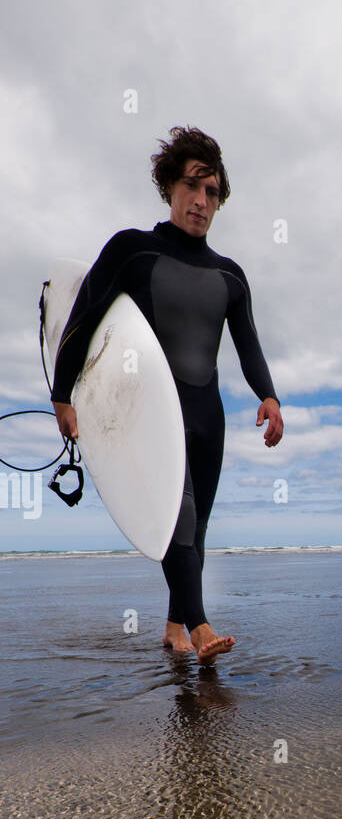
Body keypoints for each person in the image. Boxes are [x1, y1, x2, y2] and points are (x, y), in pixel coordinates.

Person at [50, 125, 284, 665]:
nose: (201, 202)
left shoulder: (231, 276)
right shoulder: (134, 250)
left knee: (197, 526)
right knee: (176, 516)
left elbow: (248, 344)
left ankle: (172, 627)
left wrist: (268, 396)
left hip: (210, 415)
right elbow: (83, 320)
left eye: (212, 193)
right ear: (169, 187)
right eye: (191, 187)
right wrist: (64, 394)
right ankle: (200, 628)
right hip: (154, 412)